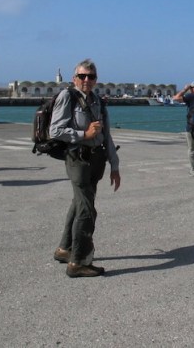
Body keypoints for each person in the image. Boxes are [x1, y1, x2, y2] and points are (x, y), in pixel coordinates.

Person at [50, 59, 121, 278]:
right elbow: (55, 130)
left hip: (96, 160)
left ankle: (65, 249)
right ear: (74, 79)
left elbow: (105, 135)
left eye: (90, 76)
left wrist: (114, 165)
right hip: (77, 159)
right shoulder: (67, 97)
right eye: (82, 76)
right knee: (86, 210)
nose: (86, 80)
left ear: (96, 79)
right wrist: (83, 135)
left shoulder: (98, 101)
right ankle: (78, 262)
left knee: (79, 204)